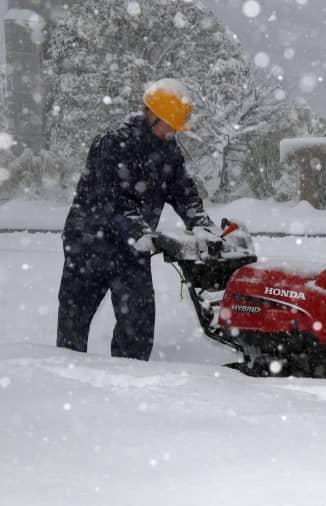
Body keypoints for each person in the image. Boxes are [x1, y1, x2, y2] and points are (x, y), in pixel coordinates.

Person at [57, 78, 220, 361]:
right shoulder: (113, 142)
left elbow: (183, 191)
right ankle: (67, 377)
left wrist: (200, 222)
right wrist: (140, 232)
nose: (172, 132)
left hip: (131, 247)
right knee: (75, 317)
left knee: (139, 320)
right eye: (168, 124)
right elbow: (110, 198)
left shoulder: (168, 149)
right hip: (88, 244)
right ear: (151, 115)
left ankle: (130, 381)